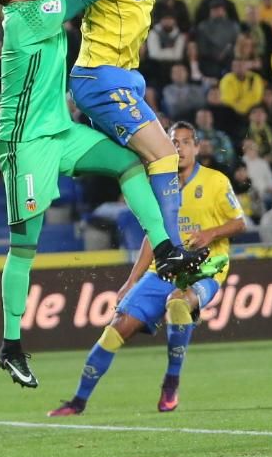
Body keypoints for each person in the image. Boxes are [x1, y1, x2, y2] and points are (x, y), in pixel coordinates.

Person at [0, 0, 212, 389]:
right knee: (24, 247)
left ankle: (165, 249)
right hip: (24, 143)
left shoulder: (39, 2)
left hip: (60, 131)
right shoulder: (24, 18)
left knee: (130, 163)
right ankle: (11, 345)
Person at [49, 121, 243, 416]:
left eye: (185, 142)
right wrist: (131, 280)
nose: (179, 147)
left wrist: (211, 233)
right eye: (173, 141)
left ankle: (171, 382)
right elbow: (152, 236)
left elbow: (239, 223)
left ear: (196, 147)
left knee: (178, 303)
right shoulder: (159, 185)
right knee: (116, 328)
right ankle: (78, 401)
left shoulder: (216, 181)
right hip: (164, 269)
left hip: (206, 268)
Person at [69, 0, 227, 254]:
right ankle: (171, 247)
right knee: (166, 155)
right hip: (98, 78)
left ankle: (163, 246)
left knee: (141, 163)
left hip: (123, 79)